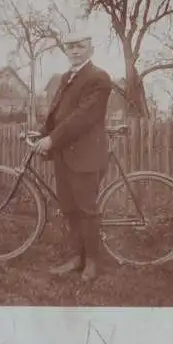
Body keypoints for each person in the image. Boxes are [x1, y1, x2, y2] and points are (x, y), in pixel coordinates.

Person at [34, 32, 112, 281]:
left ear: (90, 49)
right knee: (69, 208)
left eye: (80, 47)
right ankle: (77, 257)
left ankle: (92, 262)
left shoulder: (98, 78)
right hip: (64, 154)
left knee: (87, 210)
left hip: (86, 154)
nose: (75, 51)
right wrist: (43, 134)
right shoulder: (67, 77)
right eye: (71, 47)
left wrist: (53, 139)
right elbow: (58, 112)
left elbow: (83, 117)